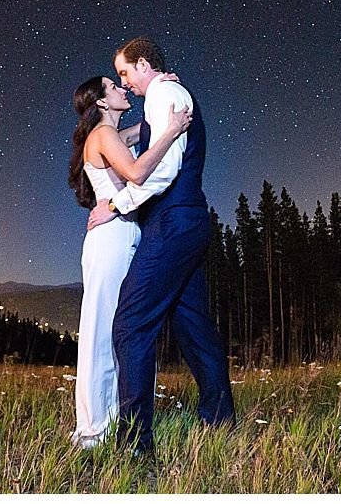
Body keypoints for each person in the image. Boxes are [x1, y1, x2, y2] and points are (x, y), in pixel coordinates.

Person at [87, 36, 235, 456]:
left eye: (125, 72)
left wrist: (116, 203)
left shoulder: (163, 94)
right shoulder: (166, 93)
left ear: (143, 65)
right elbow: (146, 140)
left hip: (170, 223)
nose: (125, 82)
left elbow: (162, 169)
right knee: (193, 327)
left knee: (131, 325)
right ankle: (220, 421)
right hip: (188, 221)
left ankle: (135, 445)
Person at [67, 73, 192, 447]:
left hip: (125, 233)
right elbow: (137, 172)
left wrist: (155, 82)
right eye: (114, 86)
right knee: (101, 331)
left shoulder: (115, 135)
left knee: (122, 330)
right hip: (111, 239)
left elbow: (145, 129)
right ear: (102, 102)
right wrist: (172, 131)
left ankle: (113, 421)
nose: (123, 89)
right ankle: (92, 431)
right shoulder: (103, 135)